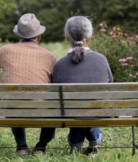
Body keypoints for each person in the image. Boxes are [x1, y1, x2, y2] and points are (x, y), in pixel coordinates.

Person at [0, 13, 57, 155]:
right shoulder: (50, 56)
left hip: (11, 111)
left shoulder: (6, 51)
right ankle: (40, 147)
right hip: (42, 111)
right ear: (38, 37)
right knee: (52, 108)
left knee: (14, 101)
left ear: (18, 36)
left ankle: (21, 146)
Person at [36, 16, 113, 156]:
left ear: (67, 37)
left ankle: (75, 143)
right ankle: (94, 140)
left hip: (70, 114)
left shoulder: (59, 65)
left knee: (75, 107)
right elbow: (110, 86)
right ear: (89, 37)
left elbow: (56, 98)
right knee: (91, 106)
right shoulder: (101, 59)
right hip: (97, 112)